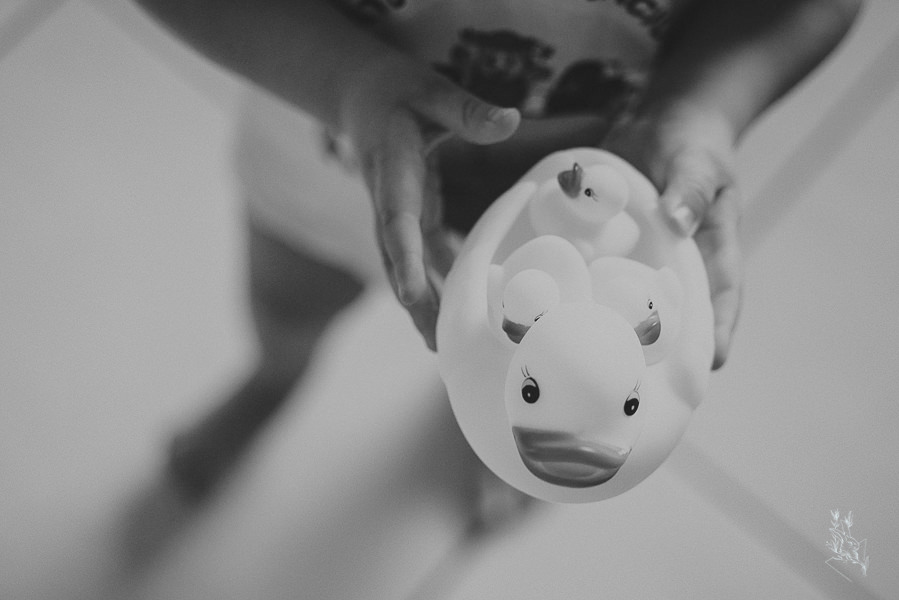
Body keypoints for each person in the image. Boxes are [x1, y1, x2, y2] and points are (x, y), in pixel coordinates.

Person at [134, 0, 862, 502]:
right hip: (329, 137)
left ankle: (504, 428)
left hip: (606, 202)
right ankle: (273, 376)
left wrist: (700, 102)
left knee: (559, 378)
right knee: (288, 297)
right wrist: (348, 80)